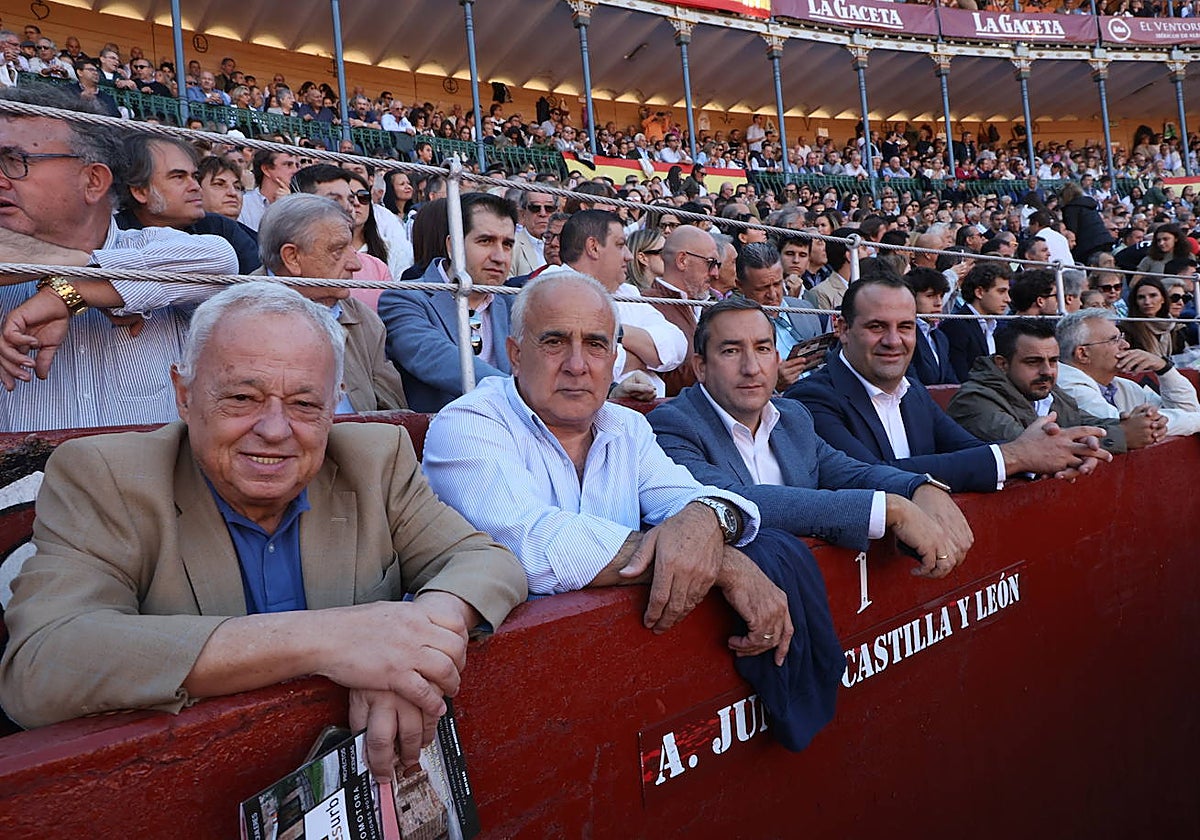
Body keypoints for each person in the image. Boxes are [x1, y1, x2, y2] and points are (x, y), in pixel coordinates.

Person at [0, 281, 526, 779]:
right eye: (242, 398)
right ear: (184, 395)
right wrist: (335, 639)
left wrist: (416, 641)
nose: (275, 430)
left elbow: (485, 561)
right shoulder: (105, 476)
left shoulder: (374, 458)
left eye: (303, 404)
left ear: (334, 404)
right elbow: (44, 662)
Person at [423, 272, 847, 750]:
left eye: (596, 344)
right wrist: (724, 565)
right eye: (556, 342)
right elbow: (530, 546)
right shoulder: (467, 423)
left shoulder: (625, 426)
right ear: (516, 354)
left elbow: (698, 500)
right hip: (513, 724)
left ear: (614, 358)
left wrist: (704, 519)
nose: (578, 365)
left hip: (621, 700)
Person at [648, 296, 972, 572]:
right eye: (731, 351)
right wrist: (888, 509)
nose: (751, 367)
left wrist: (917, 487)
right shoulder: (672, 426)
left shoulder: (792, 417)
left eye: (762, 349)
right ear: (701, 366)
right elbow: (733, 500)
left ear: (777, 360)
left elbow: (850, 472)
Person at [0, 84, 237, 432]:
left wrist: (71, 292)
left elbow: (219, 260)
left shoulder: (153, 249)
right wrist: (78, 280)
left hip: (143, 487)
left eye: (14, 161)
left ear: (93, 181)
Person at [785, 277, 1112, 492]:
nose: (893, 340)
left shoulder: (911, 391)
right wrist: (1017, 456)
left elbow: (969, 450)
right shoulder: (811, 399)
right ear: (842, 329)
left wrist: (1058, 453)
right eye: (876, 326)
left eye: (906, 327)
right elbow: (872, 475)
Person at [255, 194, 407, 413]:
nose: (355, 265)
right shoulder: (235, 316)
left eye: (351, 249)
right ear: (292, 258)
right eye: (337, 250)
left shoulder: (365, 321)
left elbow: (394, 412)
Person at [379, 193, 516, 412]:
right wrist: (521, 394)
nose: (500, 257)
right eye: (485, 241)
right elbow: (437, 358)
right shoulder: (404, 298)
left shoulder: (514, 303)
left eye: (507, 244)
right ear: (453, 246)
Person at [946, 319, 1129, 454]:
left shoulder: (1050, 393)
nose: (1047, 371)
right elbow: (1038, 448)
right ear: (1002, 364)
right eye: (1033, 362)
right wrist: (1125, 436)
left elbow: (1086, 422)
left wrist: (1136, 424)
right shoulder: (974, 400)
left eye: (1053, 361)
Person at [115, 134, 261, 274]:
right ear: (140, 191)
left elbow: (262, 289)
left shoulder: (220, 229)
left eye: (194, 176)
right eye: (179, 177)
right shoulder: (110, 236)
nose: (196, 186)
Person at [1056, 307, 1197, 440]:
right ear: (1082, 354)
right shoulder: (1067, 386)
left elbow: (1189, 409)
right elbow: (1130, 427)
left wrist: (1164, 368)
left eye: (1121, 337)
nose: (1126, 345)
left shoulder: (1122, 386)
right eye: (1114, 340)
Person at [734, 242, 823, 392]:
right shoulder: (729, 325)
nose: (773, 295)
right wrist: (774, 385)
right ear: (739, 285)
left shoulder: (805, 309)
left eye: (777, 284)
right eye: (761, 288)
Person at [937, 262, 1012, 382]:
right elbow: (960, 377)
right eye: (1001, 291)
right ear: (980, 292)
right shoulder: (956, 326)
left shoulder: (994, 327)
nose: (1008, 299)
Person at [905, 267, 957, 386]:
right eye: (930, 296)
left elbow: (951, 380)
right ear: (910, 297)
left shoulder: (941, 337)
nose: (938, 303)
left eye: (941, 296)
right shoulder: (904, 335)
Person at [238, 148, 299, 232]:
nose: (295, 170)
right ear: (266, 169)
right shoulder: (243, 204)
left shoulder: (300, 204)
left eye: (297, 165)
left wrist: (288, 206)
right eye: (288, 165)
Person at [509, 189, 554, 277]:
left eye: (549, 208)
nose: (543, 213)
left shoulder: (565, 245)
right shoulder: (512, 245)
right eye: (535, 208)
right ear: (522, 213)